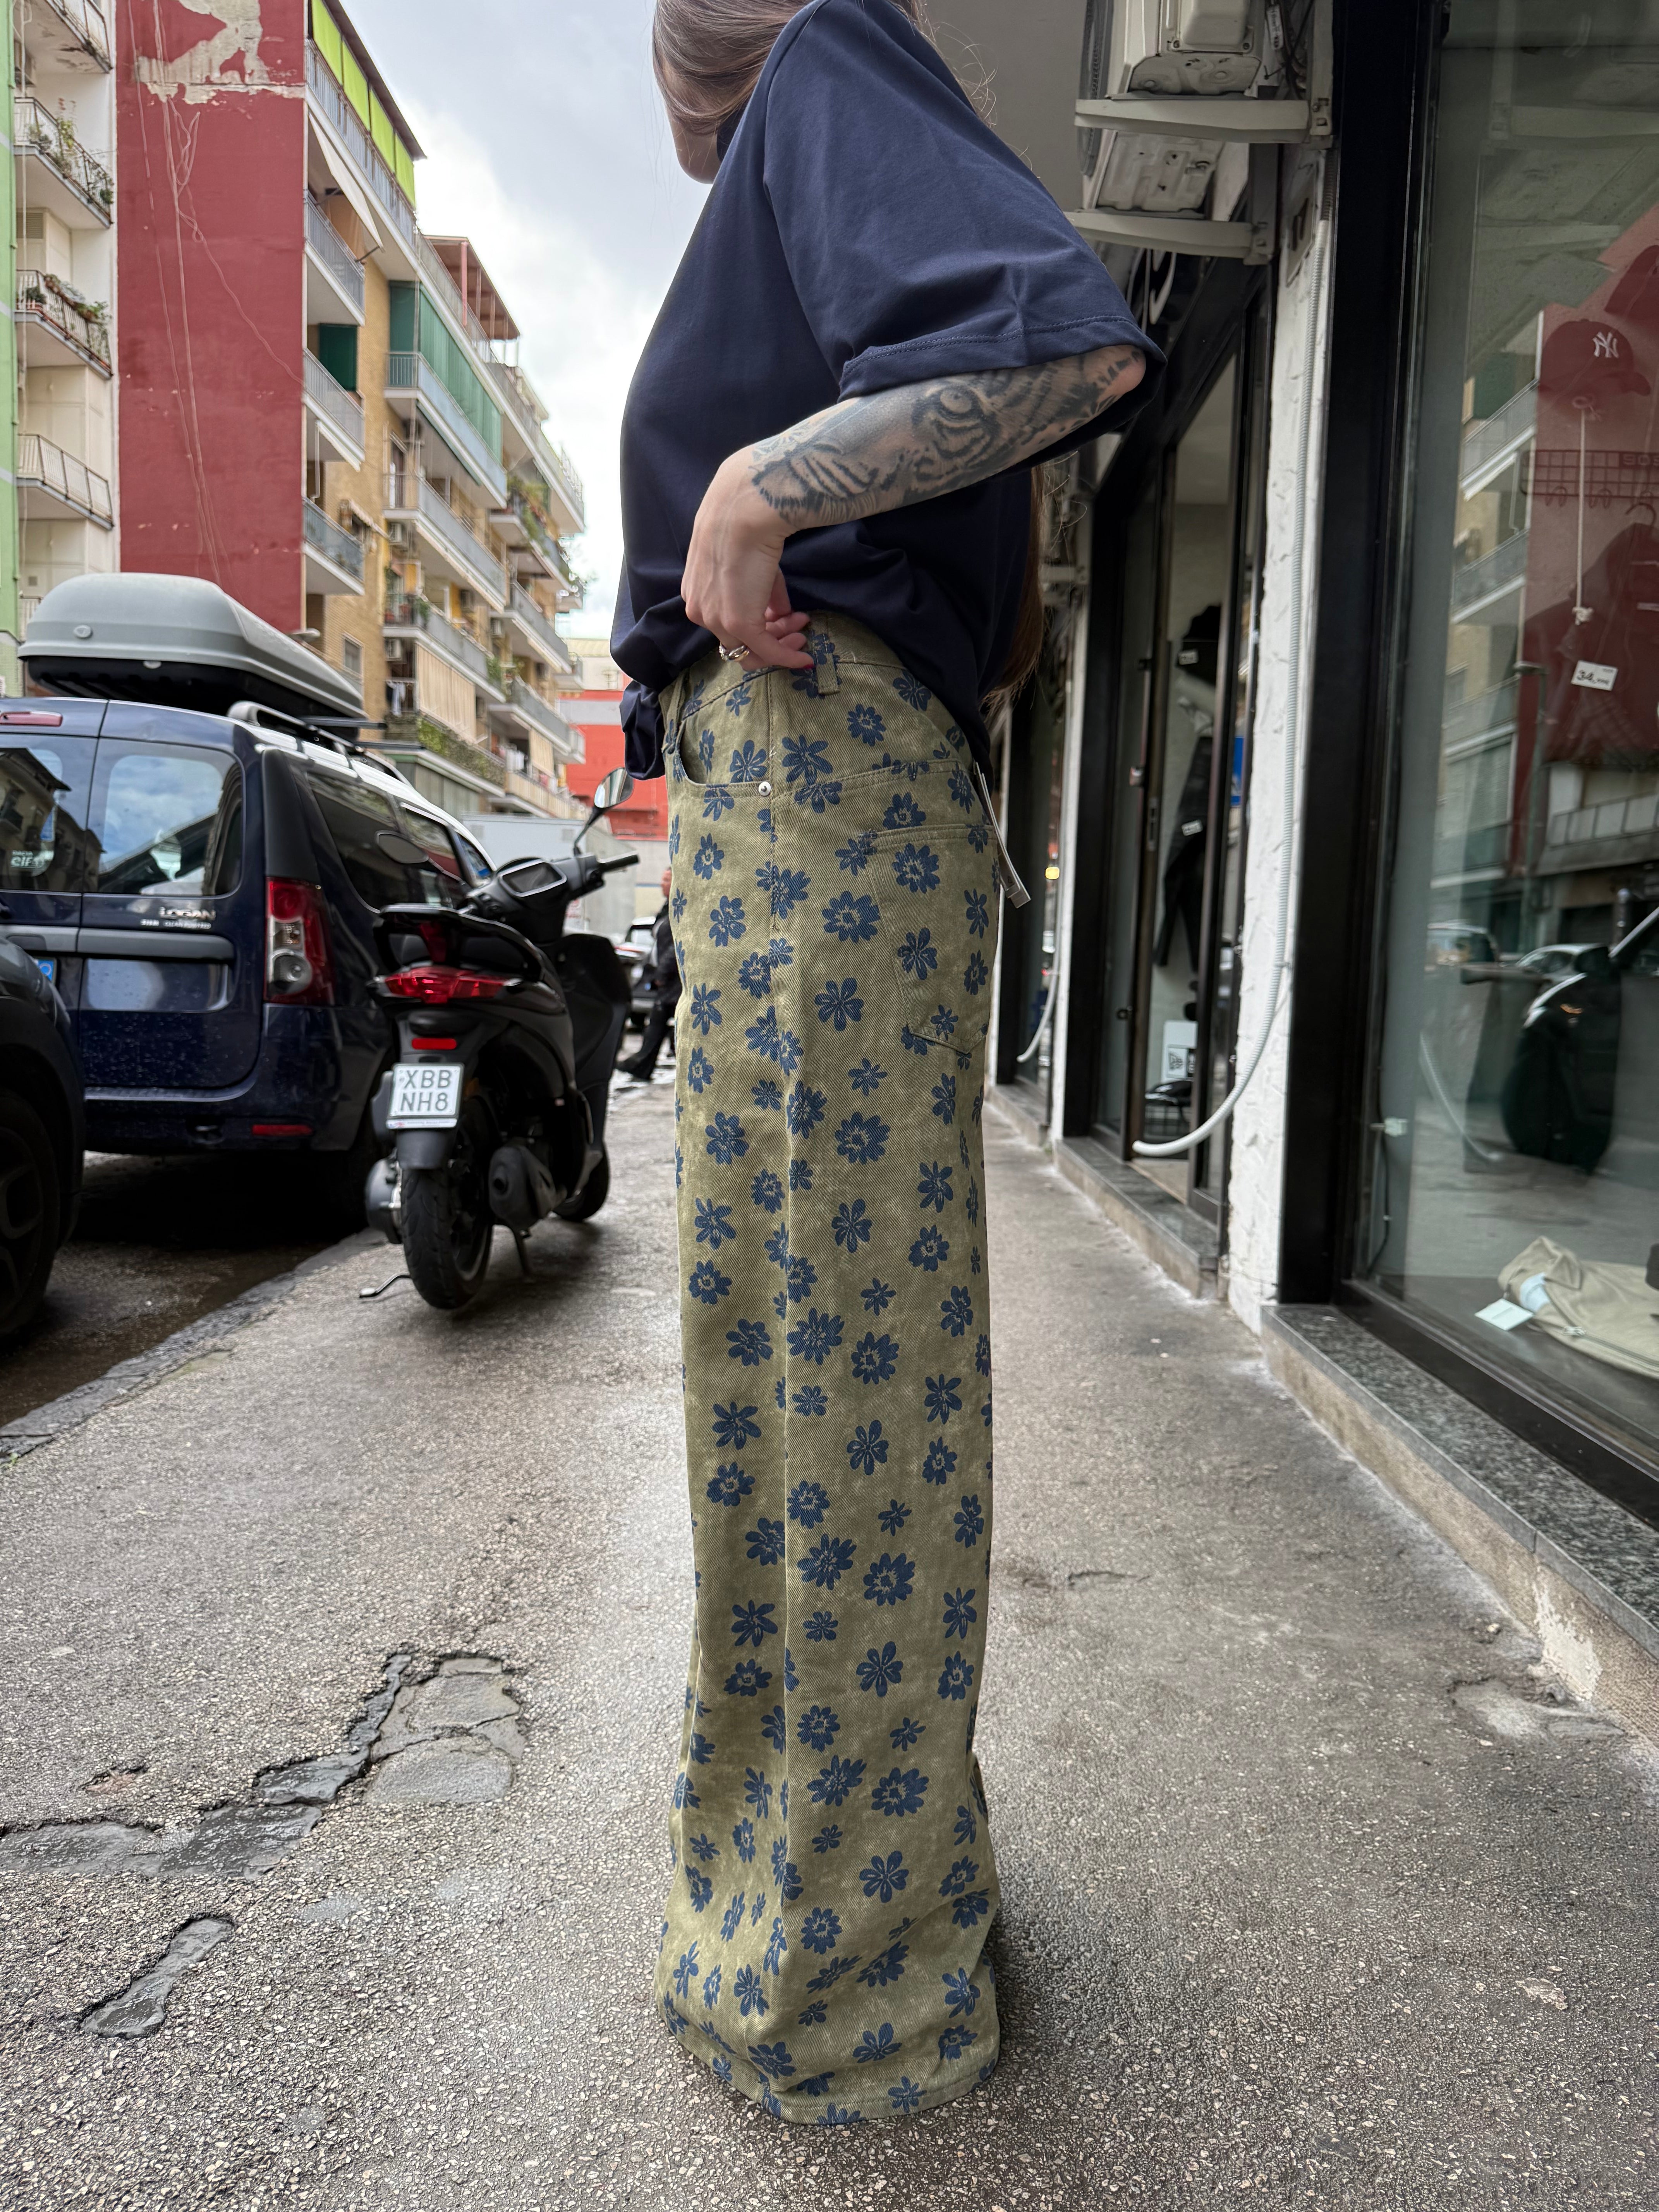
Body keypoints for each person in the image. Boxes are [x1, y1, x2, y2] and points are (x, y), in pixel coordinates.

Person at [614, 0, 1159, 2124]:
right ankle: (855, 1900)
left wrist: (754, 486)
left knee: (821, 1393)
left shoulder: (826, 60)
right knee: (823, 1388)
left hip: (818, 778)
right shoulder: (815, 134)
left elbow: (1074, 349)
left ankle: (841, 1981)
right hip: (824, 790)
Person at [619, 867, 681, 1081]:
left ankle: (641, 1065)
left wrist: (662, 974)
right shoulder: (667, 908)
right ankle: (641, 1065)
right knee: (658, 1023)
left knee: (659, 1022)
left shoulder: (679, 909)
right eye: (662, 880)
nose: (662, 884)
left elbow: (675, 947)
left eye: (667, 880)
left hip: (673, 980)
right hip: (664, 977)